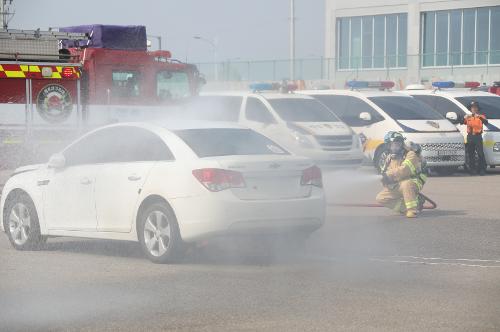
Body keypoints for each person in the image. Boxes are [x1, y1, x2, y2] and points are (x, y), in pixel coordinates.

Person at [376, 132, 427, 218]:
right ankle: (409, 207)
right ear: (388, 146)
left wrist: (389, 175)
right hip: (398, 184)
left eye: (398, 144)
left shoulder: (411, 154)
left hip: (413, 181)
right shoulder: (389, 158)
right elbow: (385, 173)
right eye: (393, 145)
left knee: (406, 184)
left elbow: (405, 170)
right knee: (381, 198)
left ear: (402, 144)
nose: (396, 147)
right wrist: (385, 180)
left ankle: (412, 210)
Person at [462, 101, 488, 176]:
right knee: (471, 154)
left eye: (475, 107)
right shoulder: (468, 117)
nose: (474, 109)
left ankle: (482, 170)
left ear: (477, 109)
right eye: (472, 107)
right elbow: (461, 121)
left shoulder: (481, 116)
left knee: (480, 154)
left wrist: (479, 117)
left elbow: (486, 122)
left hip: (477, 136)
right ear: (470, 109)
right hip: (470, 136)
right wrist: (464, 118)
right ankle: (472, 170)